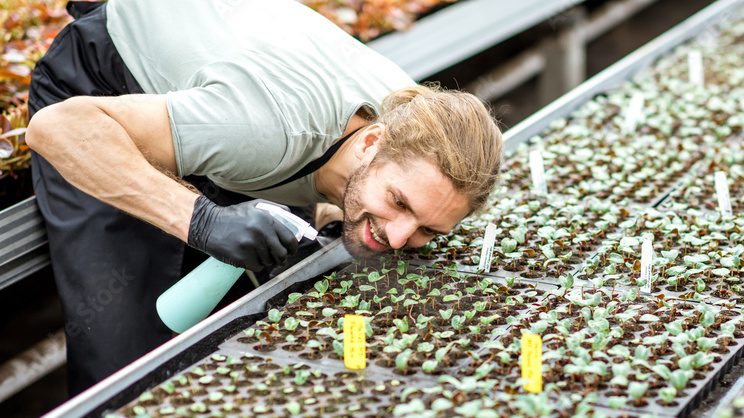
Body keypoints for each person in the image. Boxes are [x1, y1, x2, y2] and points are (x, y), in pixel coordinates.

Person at [25, 0, 503, 396]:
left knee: (243, 319)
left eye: (428, 229)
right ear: (371, 142)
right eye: (400, 203)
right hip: (104, 91)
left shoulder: (415, 121)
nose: (400, 238)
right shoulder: (261, 129)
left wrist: (334, 214)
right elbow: (57, 129)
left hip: (225, 92)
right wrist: (202, 221)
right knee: (127, 360)